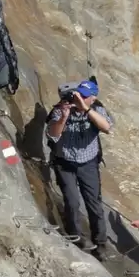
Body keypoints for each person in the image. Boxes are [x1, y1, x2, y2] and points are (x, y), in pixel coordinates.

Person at [46, 79, 113, 257]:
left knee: (94, 203)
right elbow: (53, 134)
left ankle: (101, 242)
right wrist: (64, 117)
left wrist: (87, 110)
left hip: (88, 163)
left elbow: (106, 127)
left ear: (93, 98)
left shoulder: (97, 109)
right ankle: (76, 236)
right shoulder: (61, 109)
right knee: (72, 201)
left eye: (84, 97)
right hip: (65, 162)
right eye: (78, 95)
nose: (79, 100)